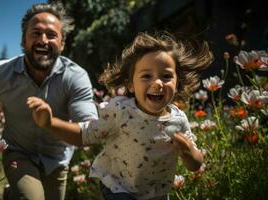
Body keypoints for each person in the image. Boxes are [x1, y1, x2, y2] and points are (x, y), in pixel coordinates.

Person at [27, 32, 213, 200]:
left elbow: (196, 165)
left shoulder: (179, 121)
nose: (157, 83)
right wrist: (50, 123)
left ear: (177, 83)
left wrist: (189, 153)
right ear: (131, 85)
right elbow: (84, 135)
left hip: (156, 194)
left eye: (166, 76)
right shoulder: (122, 112)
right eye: (146, 76)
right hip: (118, 187)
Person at [0, 2, 98, 200]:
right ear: (23, 40)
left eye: (51, 35)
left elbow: (89, 131)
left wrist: (50, 123)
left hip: (57, 160)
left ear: (62, 43)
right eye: (35, 33)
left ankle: (10, 194)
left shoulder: (76, 77)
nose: (43, 40)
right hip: (18, 153)